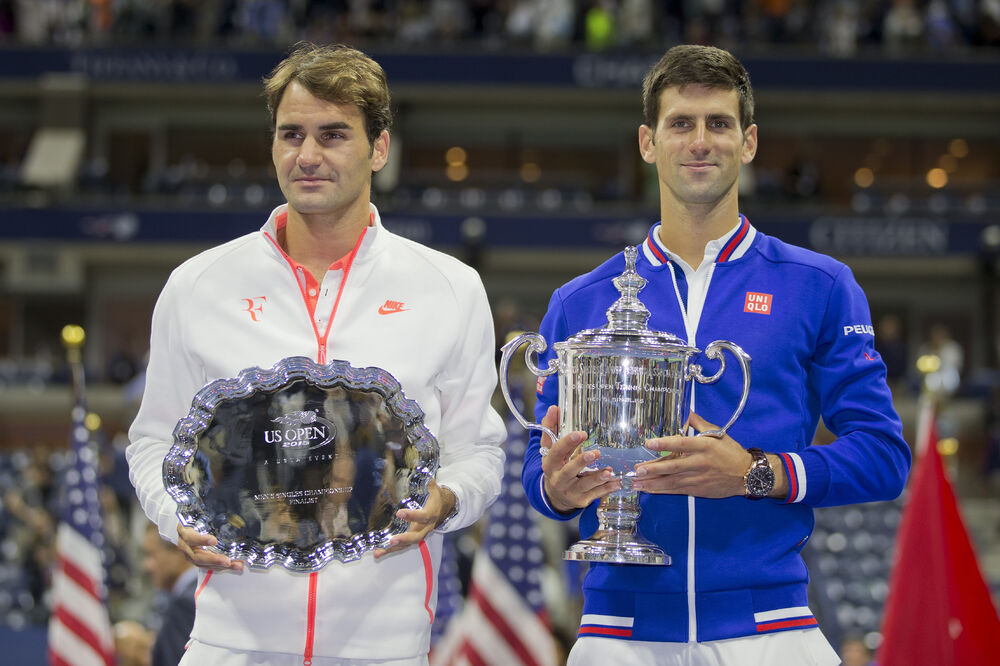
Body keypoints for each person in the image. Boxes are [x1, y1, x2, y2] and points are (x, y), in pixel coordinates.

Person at [521, 44, 910, 665]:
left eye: (719, 124)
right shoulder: (581, 302)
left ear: (748, 142)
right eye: (681, 124)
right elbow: (535, 475)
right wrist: (558, 489)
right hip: (618, 631)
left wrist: (757, 473)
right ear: (648, 143)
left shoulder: (820, 285)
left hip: (772, 628)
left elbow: (885, 458)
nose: (699, 141)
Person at [126, 42, 506, 665]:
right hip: (229, 641)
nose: (307, 156)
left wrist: (445, 502)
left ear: (379, 148)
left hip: (383, 645)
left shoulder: (449, 288)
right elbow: (151, 441)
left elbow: (479, 451)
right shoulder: (198, 285)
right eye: (290, 134)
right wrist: (177, 518)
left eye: (333, 135)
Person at [141, 522, 197, 666]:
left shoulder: (187, 605)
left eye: (151, 554)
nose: (146, 566)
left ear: (177, 550)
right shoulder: (191, 596)